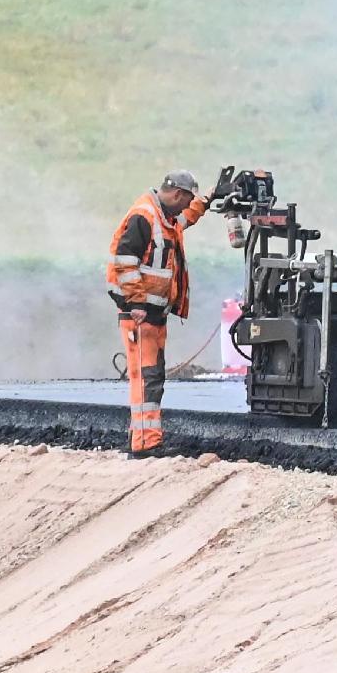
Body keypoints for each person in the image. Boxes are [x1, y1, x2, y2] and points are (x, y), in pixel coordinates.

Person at [108, 167, 230, 457]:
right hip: (140, 314)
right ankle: (144, 444)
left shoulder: (165, 217)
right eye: (187, 200)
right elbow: (124, 262)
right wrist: (136, 303)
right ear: (177, 194)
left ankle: (145, 439)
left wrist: (209, 198)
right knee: (145, 379)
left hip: (153, 313)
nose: (187, 208)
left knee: (152, 377)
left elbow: (185, 219)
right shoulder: (144, 216)